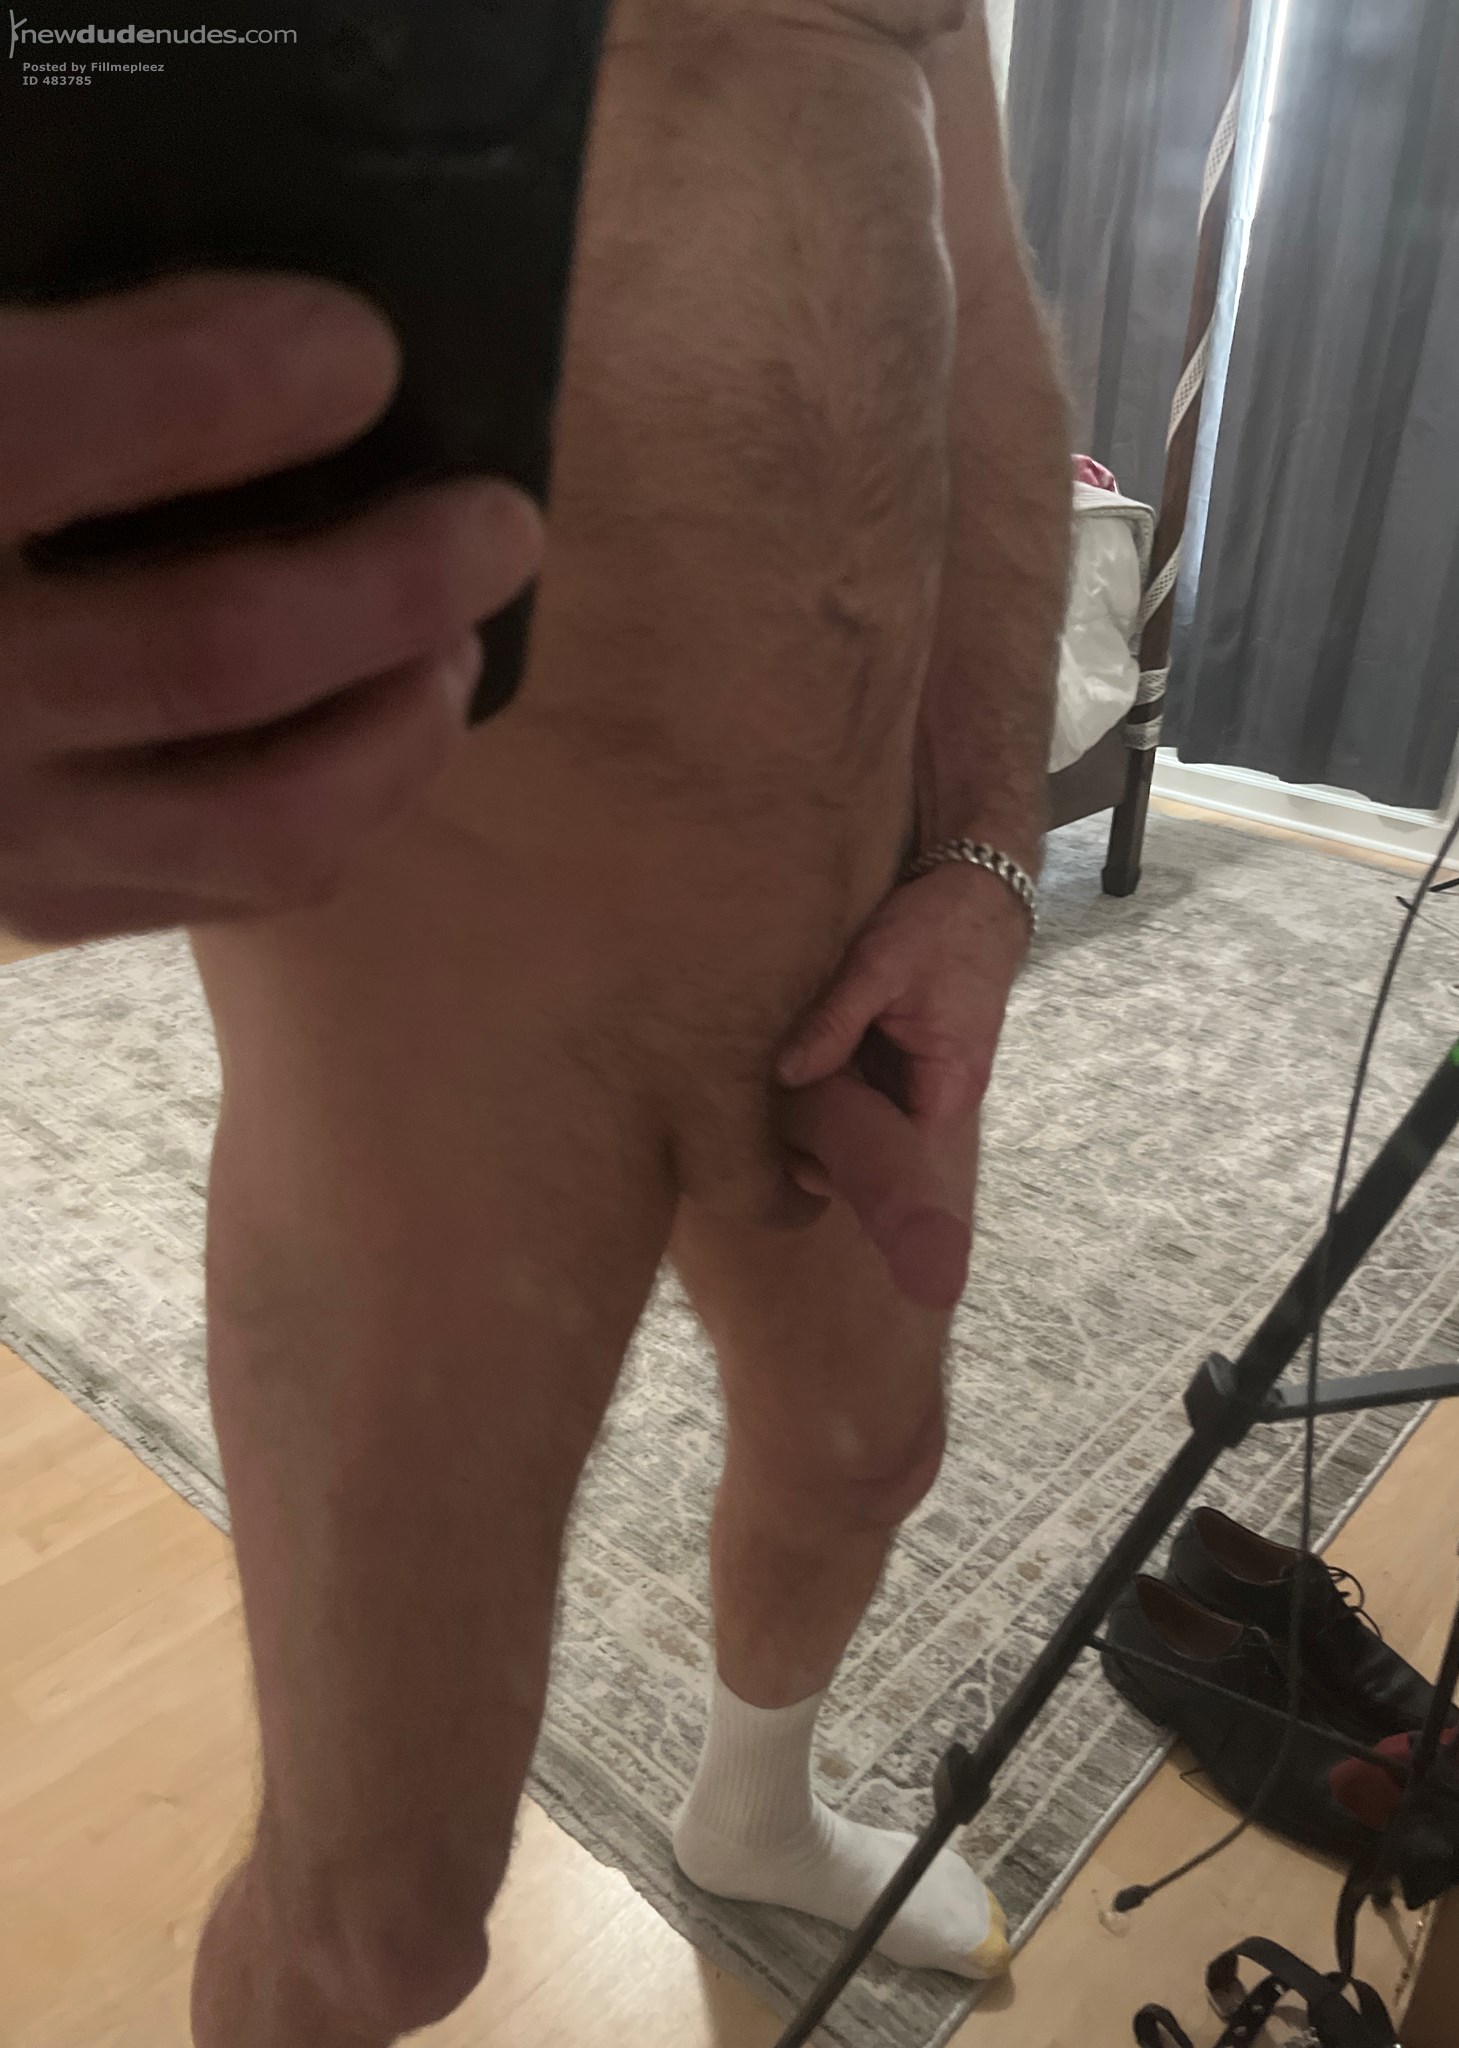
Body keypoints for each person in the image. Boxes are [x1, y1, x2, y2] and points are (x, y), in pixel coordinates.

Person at [0, 0, 1071, 2039]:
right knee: (376, 1931)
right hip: (436, 980)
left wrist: (986, 857)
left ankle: (754, 1815)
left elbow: (984, 308)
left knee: (866, 1453)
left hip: (846, 934)